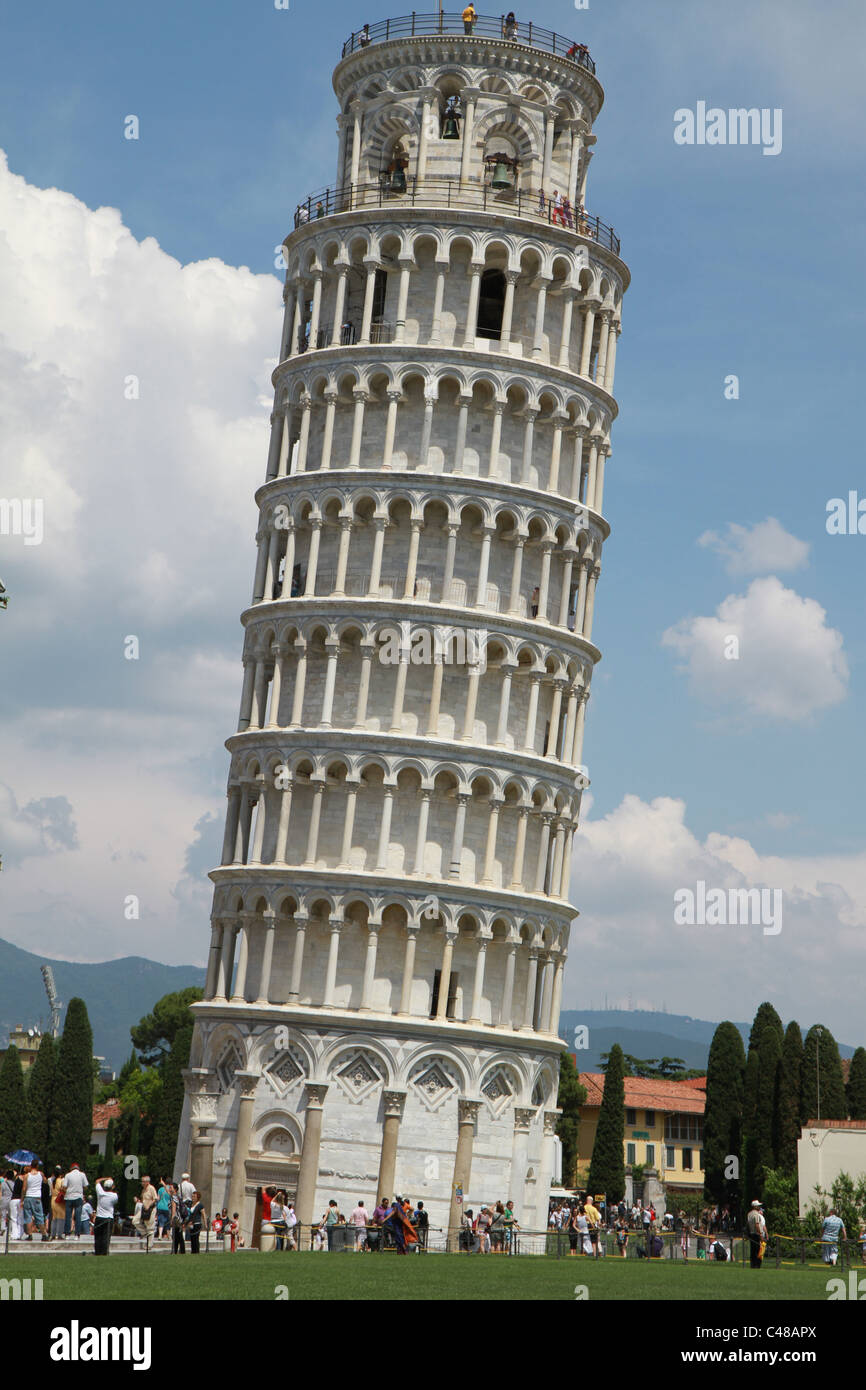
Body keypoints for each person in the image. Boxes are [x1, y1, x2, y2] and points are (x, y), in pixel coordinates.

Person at [93, 1177, 118, 1256]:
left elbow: (97, 1181)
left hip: (99, 1217)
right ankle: (104, 1253)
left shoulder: (100, 1193)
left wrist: (106, 1178)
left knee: (98, 1237)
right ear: (112, 1187)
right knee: (106, 1237)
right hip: (108, 1218)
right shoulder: (114, 1196)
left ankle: (97, 1252)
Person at [23, 1161, 47, 1242]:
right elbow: (45, 1181)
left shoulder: (27, 1176)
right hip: (37, 1197)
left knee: (28, 1217)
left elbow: (24, 1188)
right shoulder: (41, 1174)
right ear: (37, 1166)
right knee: (39, 1217)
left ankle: (30, 1235)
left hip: (28, 1196)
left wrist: (22, 1199)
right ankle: (44, 1235)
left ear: (31, 1166)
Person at [134, 1174, 157, 1241]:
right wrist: (137, 1200)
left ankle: (149, 1245)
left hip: (151, 1209)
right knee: (135, 1221)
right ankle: (144, 1232)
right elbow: (142, 1200)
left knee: (150, 1227)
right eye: (142, 1181)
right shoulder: (143, 1190)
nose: (142, 1183)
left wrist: (149, 1205)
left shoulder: (151, 1188)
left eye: (143, 1181)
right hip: (143, 1209)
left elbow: (155, 1199)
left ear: (147, 1182)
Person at [170, 1183, 187, 1254]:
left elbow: (174, 1210)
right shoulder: (178, 1197)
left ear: (175, 1189)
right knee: (177, 1236)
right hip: (179, 1219)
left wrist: (172, 1219)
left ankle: (178, 1250)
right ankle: (177, 1250)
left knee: (177, 1236)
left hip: (176, 1219)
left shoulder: (174, 1198)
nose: (169, 1189)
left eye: (171, 1188)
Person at [746, 1199, 764, 1268]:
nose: (759, 1207)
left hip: (751, 1233)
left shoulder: (749, 1214)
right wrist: (760, 1234)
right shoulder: (756, 1214)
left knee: (752, 1250)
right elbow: (757, 1225)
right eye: (758, 1206)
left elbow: (748, 1224)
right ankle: (757, 1265)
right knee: (757, 1250)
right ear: (755, 1206)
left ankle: (752, 1264)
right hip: (756, 1234)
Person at [50, 1166, 66, 1240]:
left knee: (54, 1218)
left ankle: (52, 1234)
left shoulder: (52, 1181)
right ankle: (59, 1234)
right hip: (59, 1200)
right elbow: (62, 1189)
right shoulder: (60, 1181)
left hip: (53, 1199)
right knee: (61, 1218)